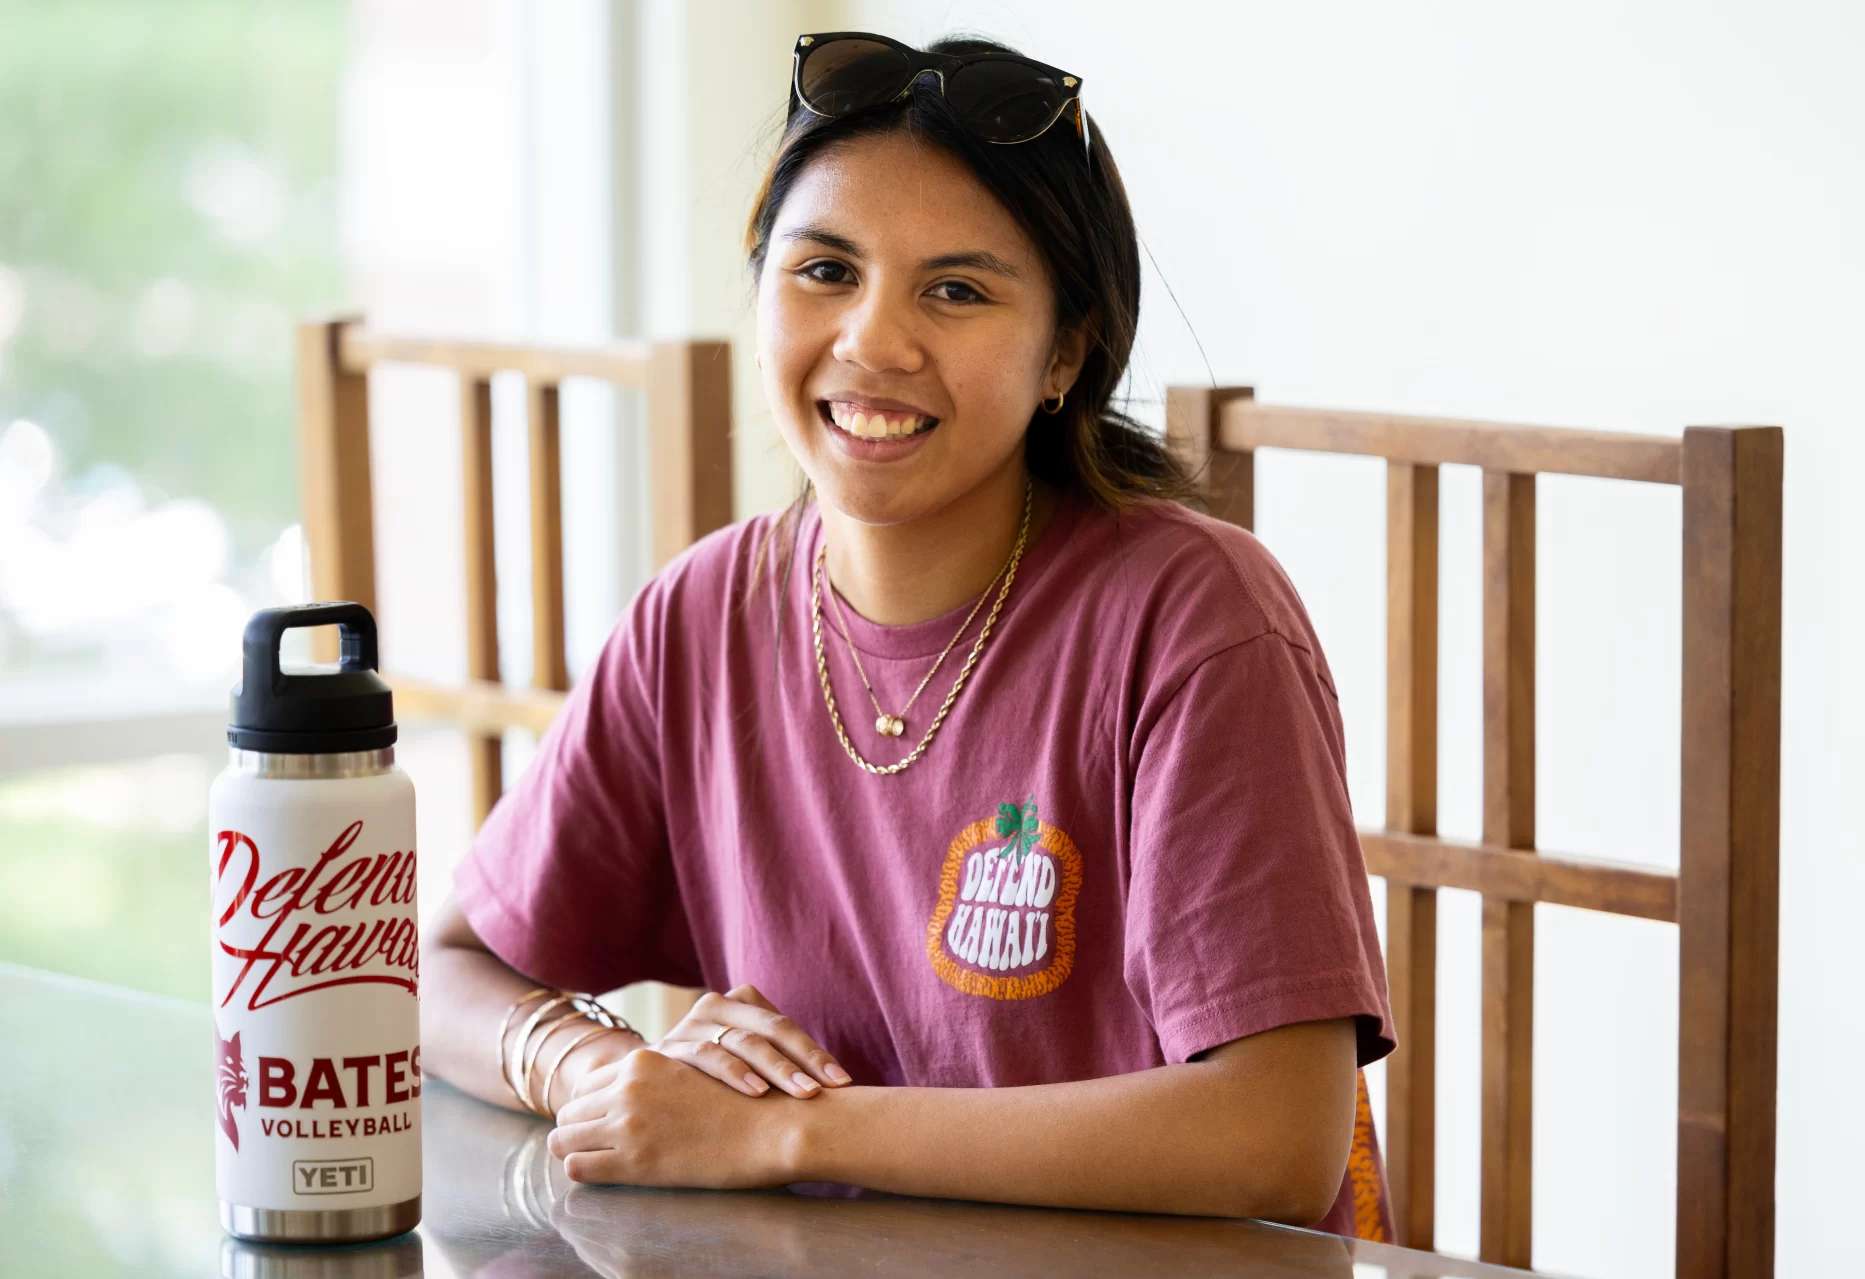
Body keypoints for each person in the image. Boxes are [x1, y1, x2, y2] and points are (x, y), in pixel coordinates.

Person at [422, 31, 1394, 1235]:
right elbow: (439, 973)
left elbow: (1270, 1140)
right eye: (825, 271)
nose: (872, 343)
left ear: (1067, 354)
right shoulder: (699, 615)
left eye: (956, 289)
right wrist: (590, 1067)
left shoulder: (1196, 617)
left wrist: (782, 1131)